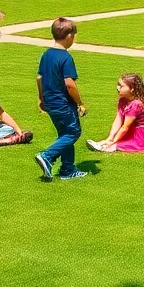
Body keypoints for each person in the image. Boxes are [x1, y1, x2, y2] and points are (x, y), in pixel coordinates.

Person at [35, 17, 89, 181]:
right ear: (69, 36)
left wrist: (41, 98)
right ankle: (47, 156)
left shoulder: (46, 55)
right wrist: (80, 103)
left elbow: (39, 77)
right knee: (73, 132)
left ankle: (68, 169)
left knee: (64, 134)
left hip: (50, 101)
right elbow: (69, 84)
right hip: (63, 103)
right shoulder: (65, 57)